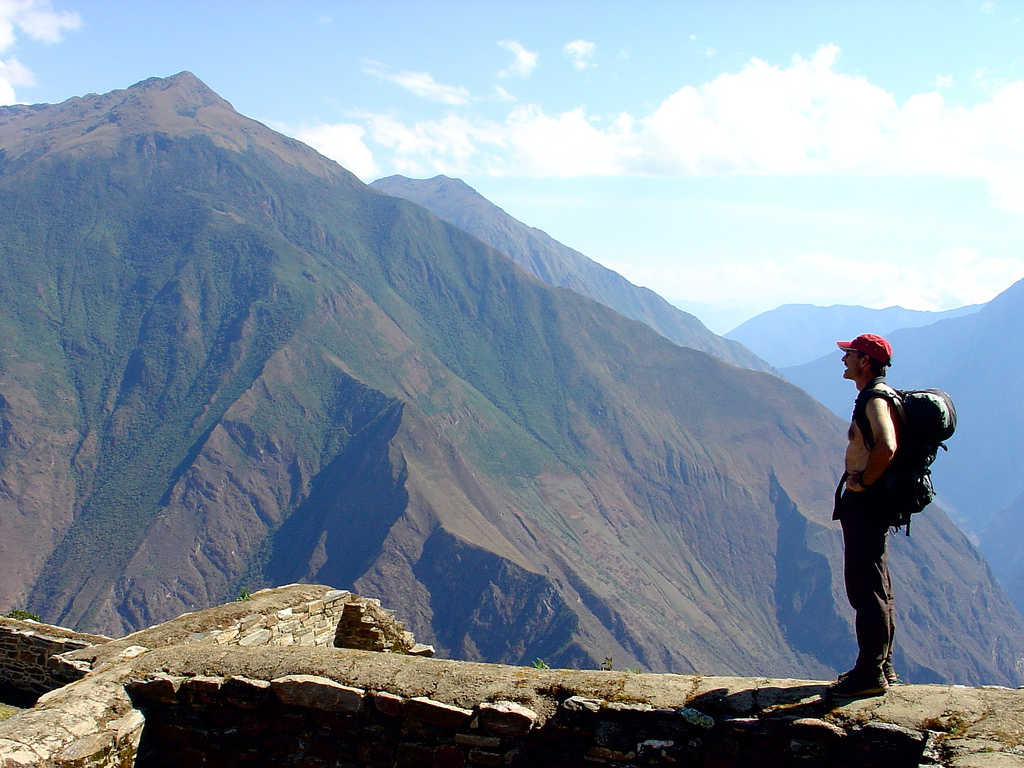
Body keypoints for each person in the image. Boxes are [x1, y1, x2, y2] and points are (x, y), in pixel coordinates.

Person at [827, 333, 900, 699]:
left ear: (865, 361)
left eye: (850, 354)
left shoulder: (874, 400)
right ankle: (881, 665)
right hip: (872, 505)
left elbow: (886, 444)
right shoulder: (876, 396)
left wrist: (863, 483)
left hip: (867, 506)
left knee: (865, 587)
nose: (844, 360)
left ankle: (870, 672)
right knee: (877, 583)